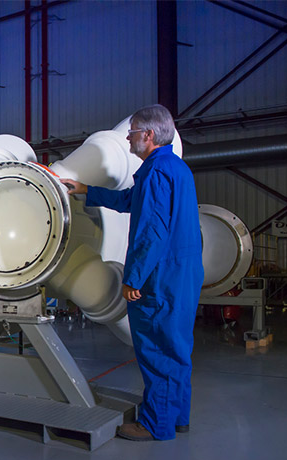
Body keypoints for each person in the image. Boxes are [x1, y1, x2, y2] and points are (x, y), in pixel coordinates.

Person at [60, 104, 204, 441]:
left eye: (133, 130)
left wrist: (133, 278)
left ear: (149, 136)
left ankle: (155, 425)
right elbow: (131, 201)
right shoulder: (174, 168)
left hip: (160, 279)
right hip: (181, 276)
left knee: (156, 350)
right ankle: (176, 416)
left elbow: (151, 233)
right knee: (177, 348)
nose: (128, 136)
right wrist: (84, 190)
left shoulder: (155, 172)